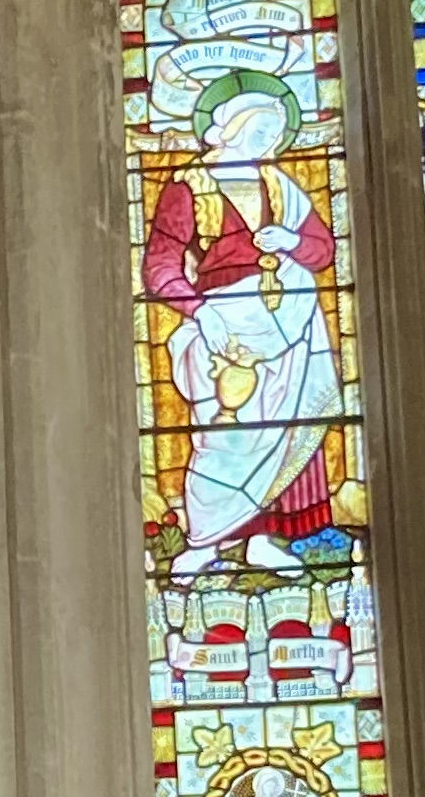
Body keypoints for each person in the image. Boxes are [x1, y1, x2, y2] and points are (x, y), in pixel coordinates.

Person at [142, 80, 344, 579]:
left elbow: (323, 252)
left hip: (287, 316)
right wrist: (200, 312)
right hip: (219, 320)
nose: (265, 140)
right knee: (222, 433)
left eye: (272, 132)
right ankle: (205, 538)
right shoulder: (188, 187)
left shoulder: (280, 187)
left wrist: (292, 240)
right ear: (227, 129)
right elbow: (159, 267)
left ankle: (265, 537)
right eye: (256, 129)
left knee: (284, 425)